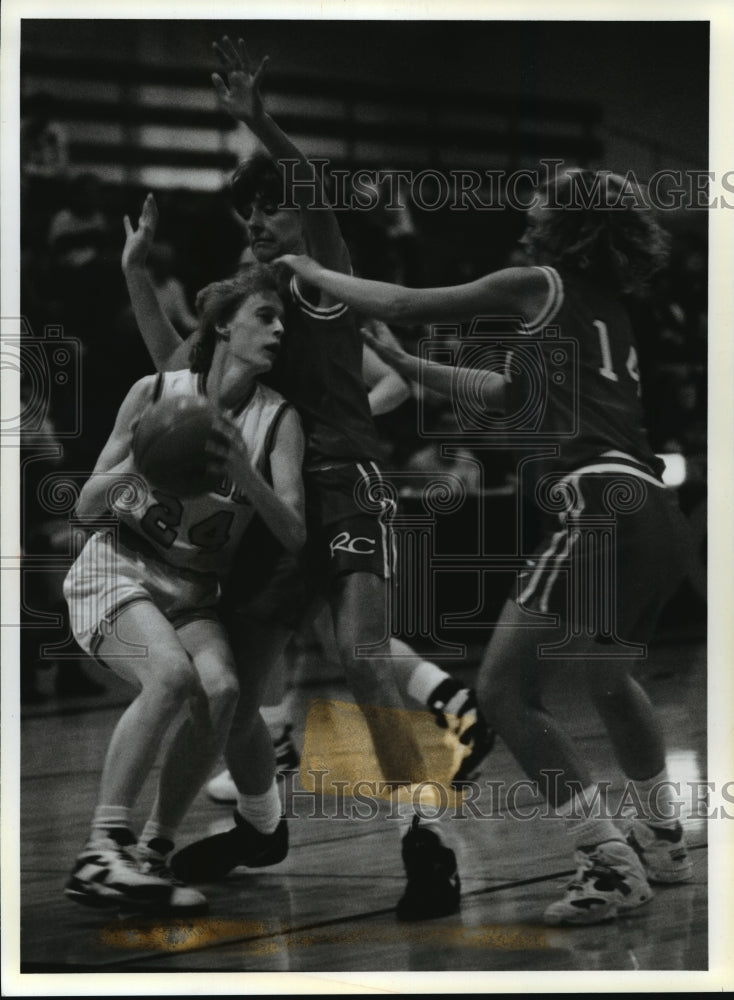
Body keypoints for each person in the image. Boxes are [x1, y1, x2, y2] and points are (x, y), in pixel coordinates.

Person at [276, 167, 695, 925]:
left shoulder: (536, 281)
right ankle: (662, 836)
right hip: (653, 511)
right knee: (608, 676)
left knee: (503, 690)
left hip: (596, 505)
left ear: (566, 218)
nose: (531, 201)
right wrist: (407, 368)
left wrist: (308, 268)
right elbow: (509, 395)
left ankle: (607, 859)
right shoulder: (603, 306)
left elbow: (403, 302)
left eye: (546, 194)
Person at [133, 36, 492, 921]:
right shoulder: (245, 296)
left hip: (346, 479)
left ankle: (426, 843)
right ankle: (262, 823)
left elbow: (321, 195)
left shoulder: (323, 277)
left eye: (273, 210)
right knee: (236, 693)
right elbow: (171, 373)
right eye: (250, 214)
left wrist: (258, 116)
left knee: (363, 657)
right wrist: (135, 272)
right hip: (269, 489)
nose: (261, 225)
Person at [63, 203, 306, 914]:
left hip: (192, 587)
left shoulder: (277, 419)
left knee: (226, 692)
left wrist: (246, 472)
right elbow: (83, 509)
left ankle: (154, 851)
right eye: (266, 315)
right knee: (168, 677)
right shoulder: (157, 393)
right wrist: (147, 466)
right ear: (225, 324)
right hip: (118, 566)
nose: (279, 329)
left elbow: (293, 531)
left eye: (284, 320)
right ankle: (101, 850)